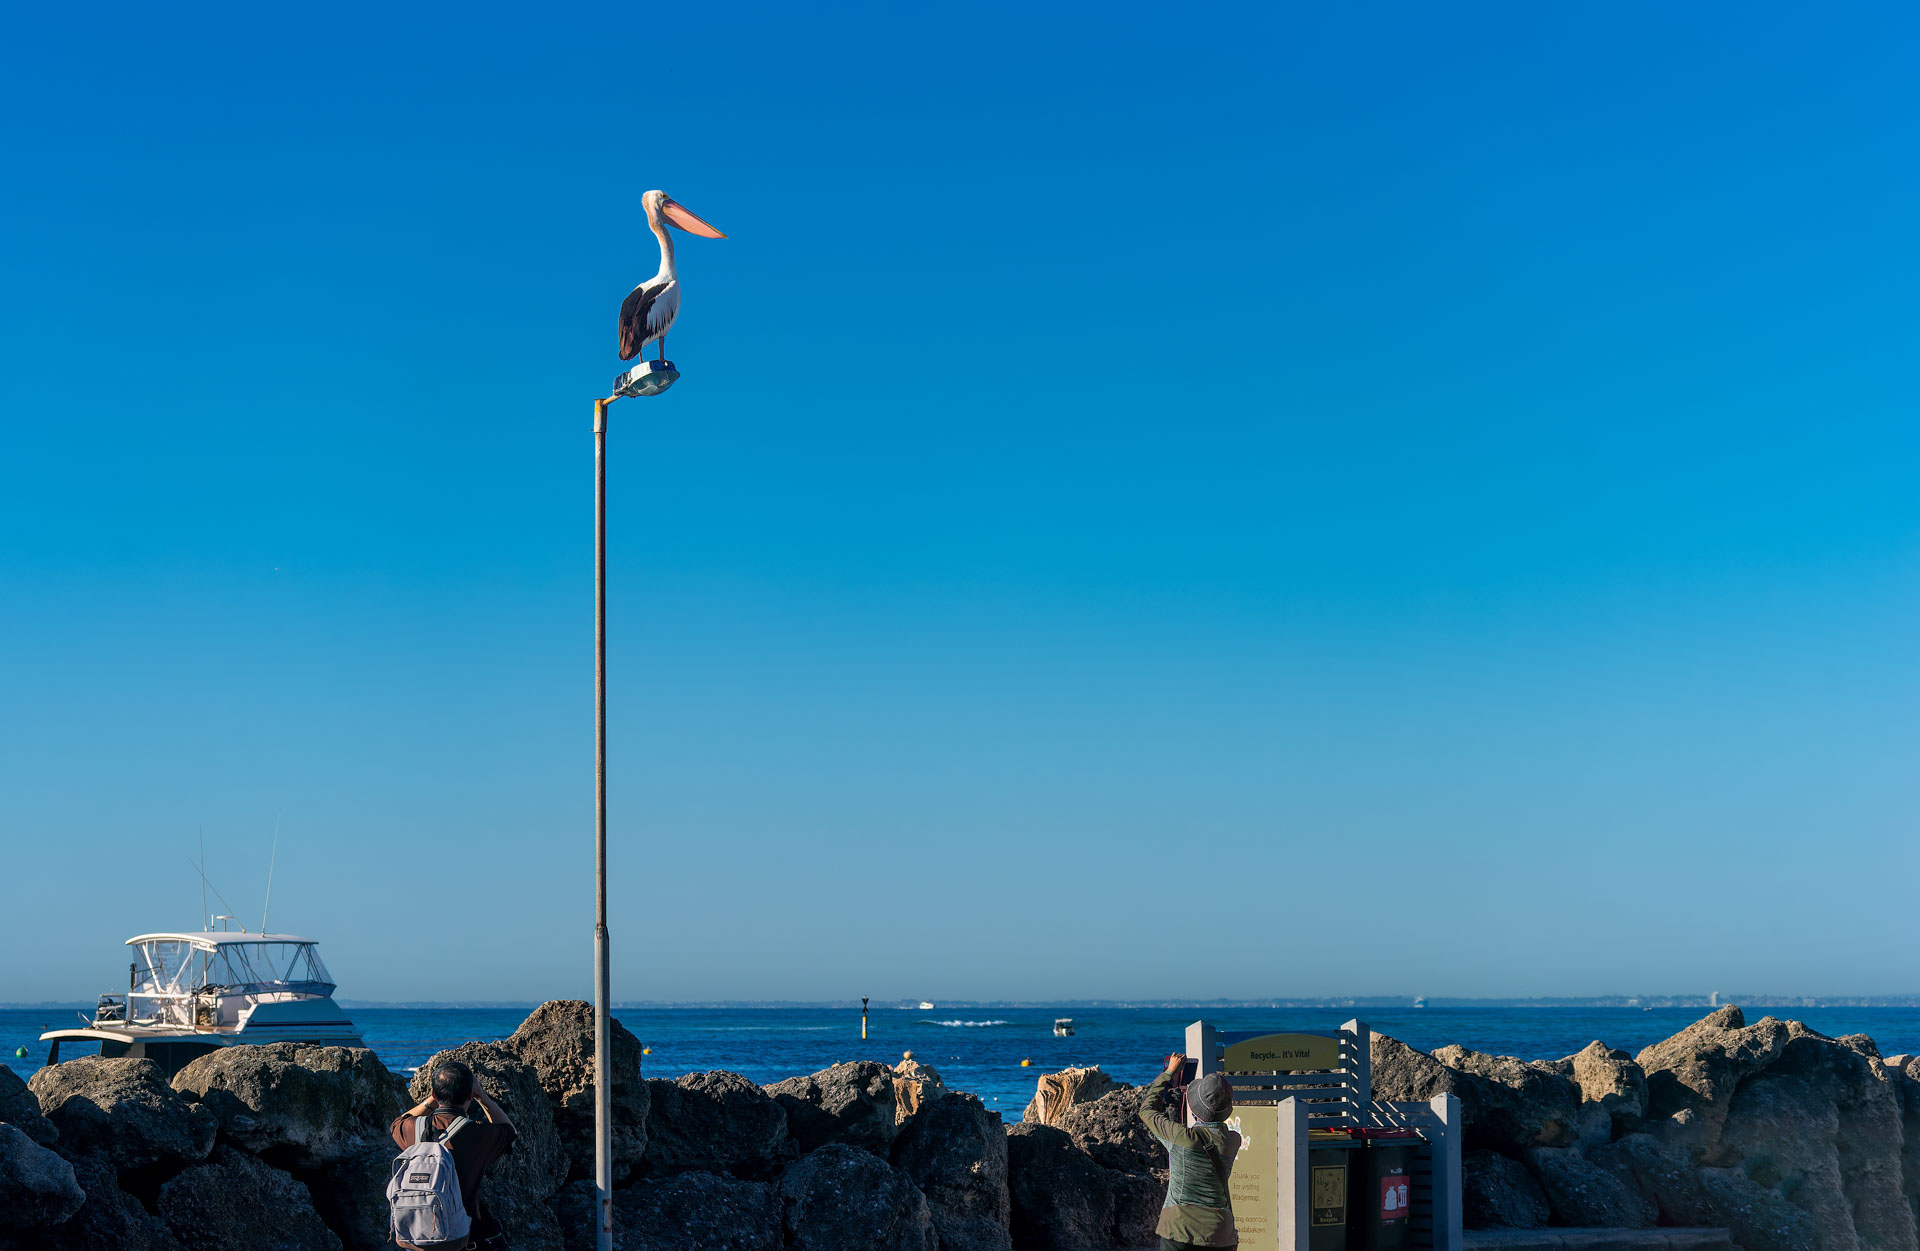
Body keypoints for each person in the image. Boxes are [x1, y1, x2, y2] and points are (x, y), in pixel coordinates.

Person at [389, 1060, 517, 1250]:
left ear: (434, 1093)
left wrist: (432, 1100)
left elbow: (398, 1122)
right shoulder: (478, 1134)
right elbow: (509, 1131)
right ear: (469, 1095)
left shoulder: (412, 1128)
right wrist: (483, 1097)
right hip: (462, 1239)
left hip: (417, 1237)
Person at [1138, 1051, 1241, 1251]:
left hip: (1179, 1229)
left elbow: (1147, 1110)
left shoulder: (1181, 1138)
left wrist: (1168, 1074)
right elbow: (1208, 1130)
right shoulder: (1232, 1140)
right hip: (1220, 1234)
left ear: (1194, 1109)